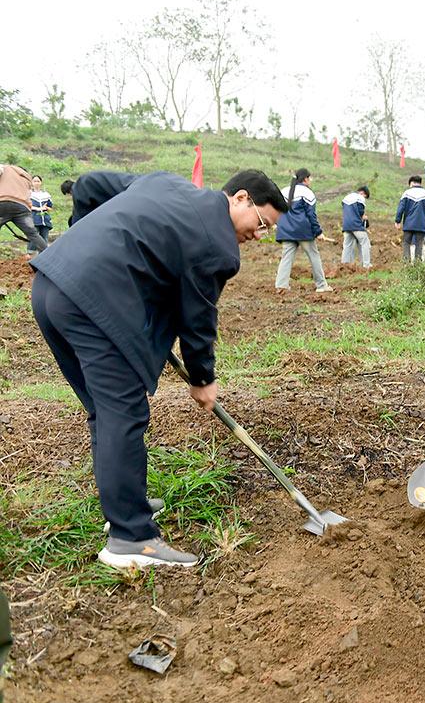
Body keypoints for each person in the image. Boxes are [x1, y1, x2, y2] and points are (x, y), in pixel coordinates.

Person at [29, 170, 287, 568]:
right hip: (94, 306)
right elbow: (198, 319)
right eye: (262, 223)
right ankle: (131, 538)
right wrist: (203, 378)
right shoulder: (218, 244)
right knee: (124, 413)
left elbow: (89, 186)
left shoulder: (165, 183)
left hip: (51, 287)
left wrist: (83, 241)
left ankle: (124, 500)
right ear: (239, 199)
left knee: (105, 410)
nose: (259, 235)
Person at [274, 168, 332, 294]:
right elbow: (311, 215)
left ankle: (281, 285)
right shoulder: (307, 193)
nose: (310, 181)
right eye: (309, 178)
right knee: (313, 256)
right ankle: (321, 285)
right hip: (303, 231)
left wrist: (276, 224)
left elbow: (277, 211)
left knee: (286, 257)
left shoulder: (283, 191)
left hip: (286, 230)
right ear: (305, 179)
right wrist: (318, 232)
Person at [0, 163, 48, 255]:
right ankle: (49, 257)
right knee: (33, 234)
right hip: (22, 208)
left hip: (3, 203)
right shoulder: (26, 177)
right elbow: (29, 195)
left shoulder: (6, 168)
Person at [395, 174, 425, 262]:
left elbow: (400, 208)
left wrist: (398, 221)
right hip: (421, 224)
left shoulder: (407, 193)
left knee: (406, 243)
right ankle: (417, 265)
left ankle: (406, 263)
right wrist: (422, 215)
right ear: (420, 183)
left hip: (408, 224)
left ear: (412, 183)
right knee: (419, 244)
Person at [340, 185, 371, 270]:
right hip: (356, 225)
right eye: (366, 196)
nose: (365, 198)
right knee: (365, 243)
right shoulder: (360, 198)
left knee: (347, 246)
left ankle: (344, 266)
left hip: (346, 225)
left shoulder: (347, 197)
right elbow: (361, 211)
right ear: (363, 193)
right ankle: (366, 265)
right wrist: (363, 217)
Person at [29, 174, 53, 254]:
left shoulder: (46, 195)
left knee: (44, 238)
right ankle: (30, 254)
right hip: (34, 219)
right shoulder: (29, 194)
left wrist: (46, 208)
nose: (36, 183)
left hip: (45, 220)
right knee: (34, 237)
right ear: (31, 183)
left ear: (41, 182)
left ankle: (44, 255)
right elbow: (27, 206)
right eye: (34, 181)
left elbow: (50, 207)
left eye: (38, 181)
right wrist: (39, 209)